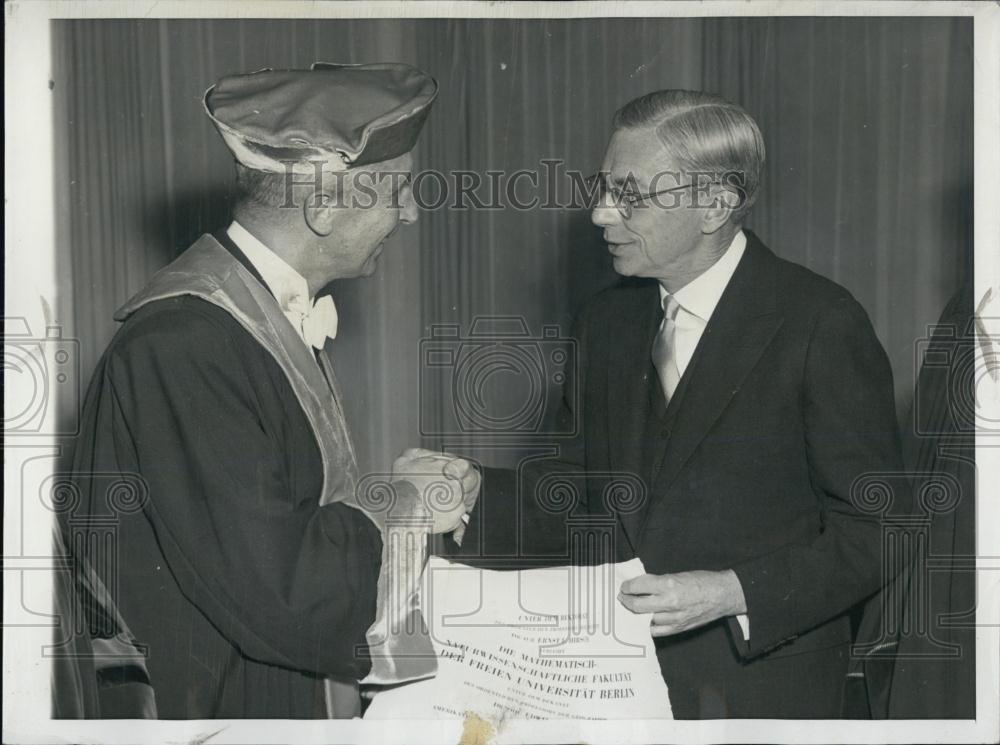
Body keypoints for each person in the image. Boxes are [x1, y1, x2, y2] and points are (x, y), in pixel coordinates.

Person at [454, 89, 907, 718]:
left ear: (715, 204)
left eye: (629, 195)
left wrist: (732, 592)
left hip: (766, 698)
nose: (599, 215)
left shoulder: (819, 322)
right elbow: (574, 497)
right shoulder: (605, 322)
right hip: (615, 690)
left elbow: (880, 530)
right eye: (603, 188)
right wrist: (477, 493)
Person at [59, 62, 478, 719]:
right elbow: (281, 586)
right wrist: (405, 504)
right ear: (324, 204)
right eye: (397, 190)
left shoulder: (252, 312)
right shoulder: (185, 341)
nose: (412, 212)